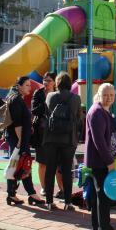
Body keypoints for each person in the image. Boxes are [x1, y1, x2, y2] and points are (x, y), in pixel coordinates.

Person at [85, 83, 116, 230]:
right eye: (105, 95)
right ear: (99, 95)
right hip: (99, 162)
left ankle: (97, 226)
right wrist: (109, 162)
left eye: (112, 95)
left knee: (97, 196)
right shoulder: (97, 112)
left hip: (97, 161)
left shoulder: (100, 111)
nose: (109, 98)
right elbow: (99, 140)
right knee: (103, 197)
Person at [42, 71, 82, 211]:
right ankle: (68, 202)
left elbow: (47, 115)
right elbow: (78, 119)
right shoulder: (76, 98)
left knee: (50, 169)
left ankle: (48, 201)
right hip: (68, 138)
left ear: (57, 83)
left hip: (51, 138)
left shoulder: (50, 96)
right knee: (66, 169)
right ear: (69, 83)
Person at [5, 76, 42, 206]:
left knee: (16, 166)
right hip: (18, 140)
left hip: (18, 139)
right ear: (19, 86)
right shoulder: (16, 100)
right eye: (27, 85)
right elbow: (17, 124)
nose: (29, 88)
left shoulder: (15, 98)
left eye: (29, 85)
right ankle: (31, 193)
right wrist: (21, 142)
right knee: (23, 165)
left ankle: (12, 194)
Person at [31, 72, 64, 196]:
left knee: (57, 163)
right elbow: (34, 110)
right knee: (42, 162)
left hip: (56, 132)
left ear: (55, 82)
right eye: (45, 80)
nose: (46, 82)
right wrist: (47, 101)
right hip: (42, 132)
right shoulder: (38, 93)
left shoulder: (59, 94)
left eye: (49, 80)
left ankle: (62, 189)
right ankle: (44, 188)